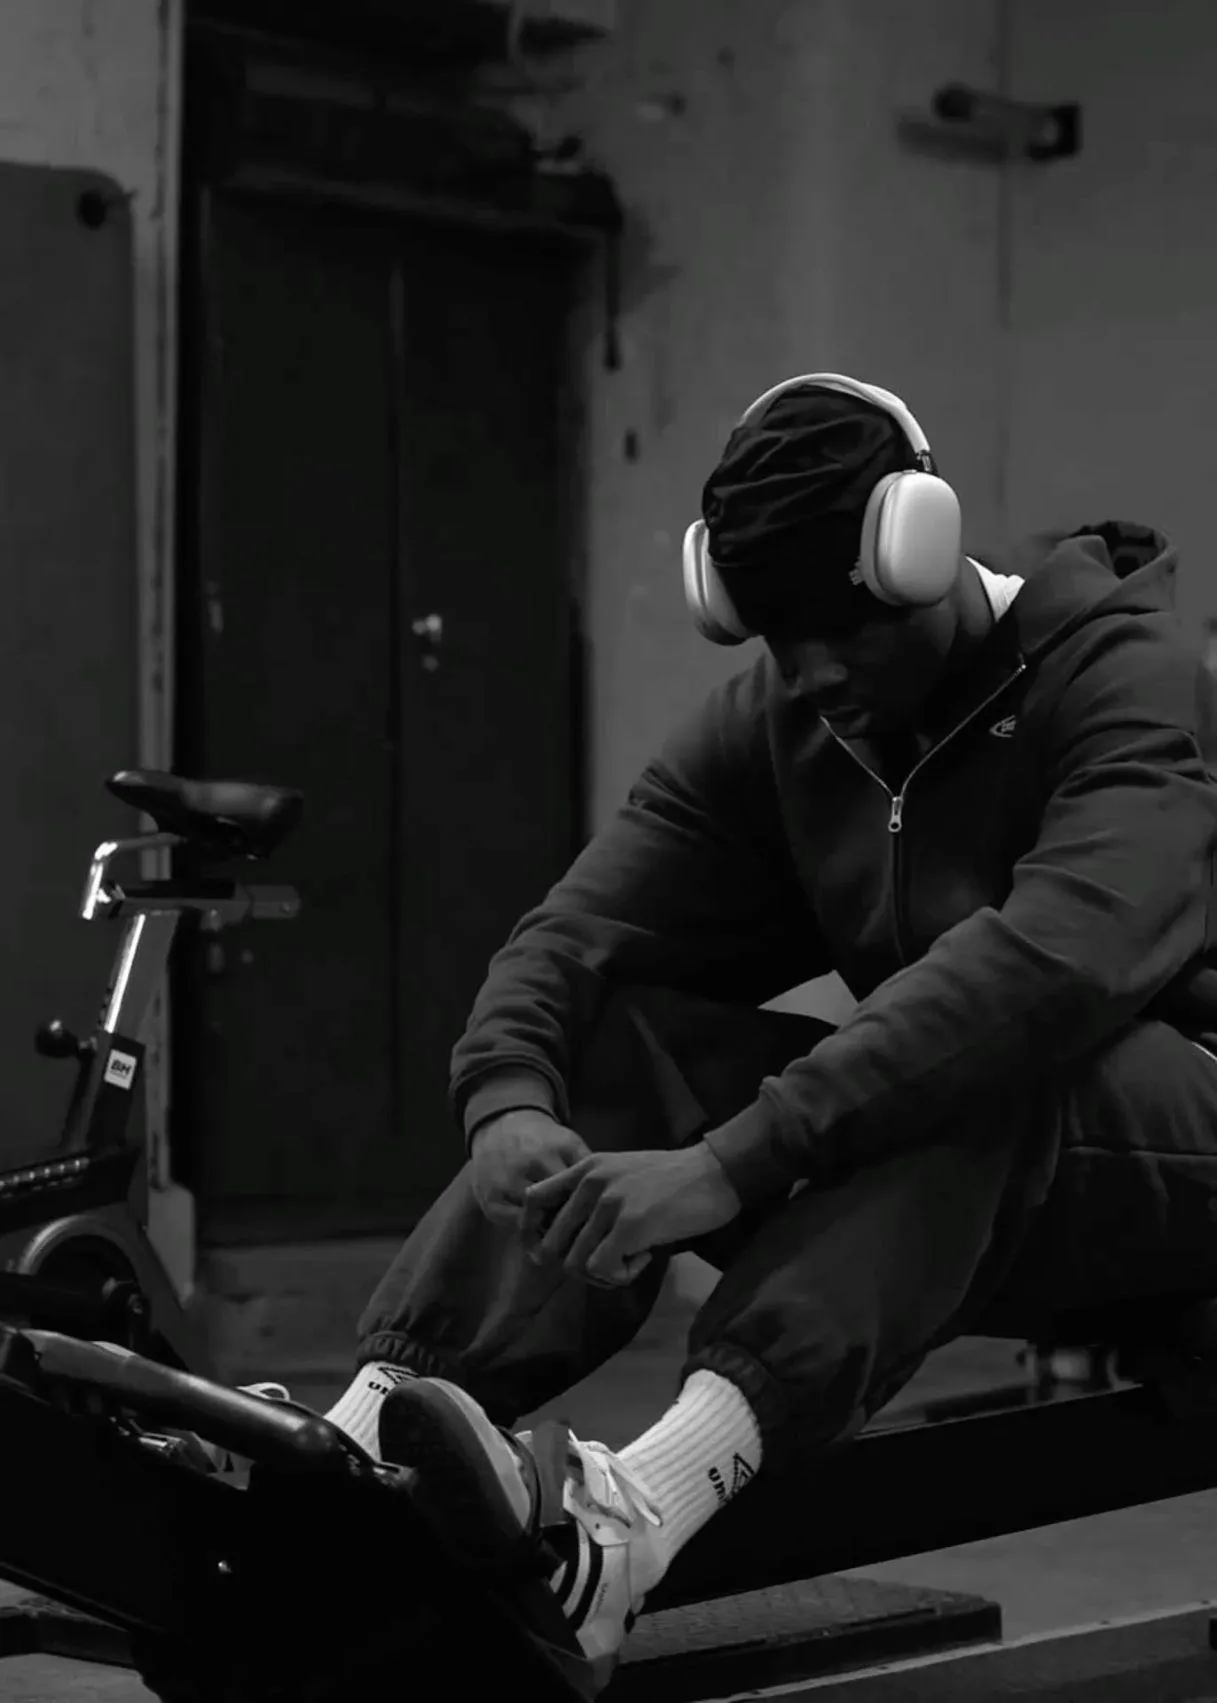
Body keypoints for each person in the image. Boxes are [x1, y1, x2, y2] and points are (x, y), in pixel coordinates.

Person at [320, 374, 1217, 1692]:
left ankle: (630, 1530)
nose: (812, 674)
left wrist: (735, 1160)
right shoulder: (793, 718)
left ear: (918, 554)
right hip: (993, 1184)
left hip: (1177, 1155)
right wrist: (513, 1097)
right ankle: (351, 1453)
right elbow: (583, 934)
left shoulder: (1125, 682)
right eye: (777, 642)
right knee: (629, 1034)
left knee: (988, 1047)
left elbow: (1053, 966)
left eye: (839, 632)